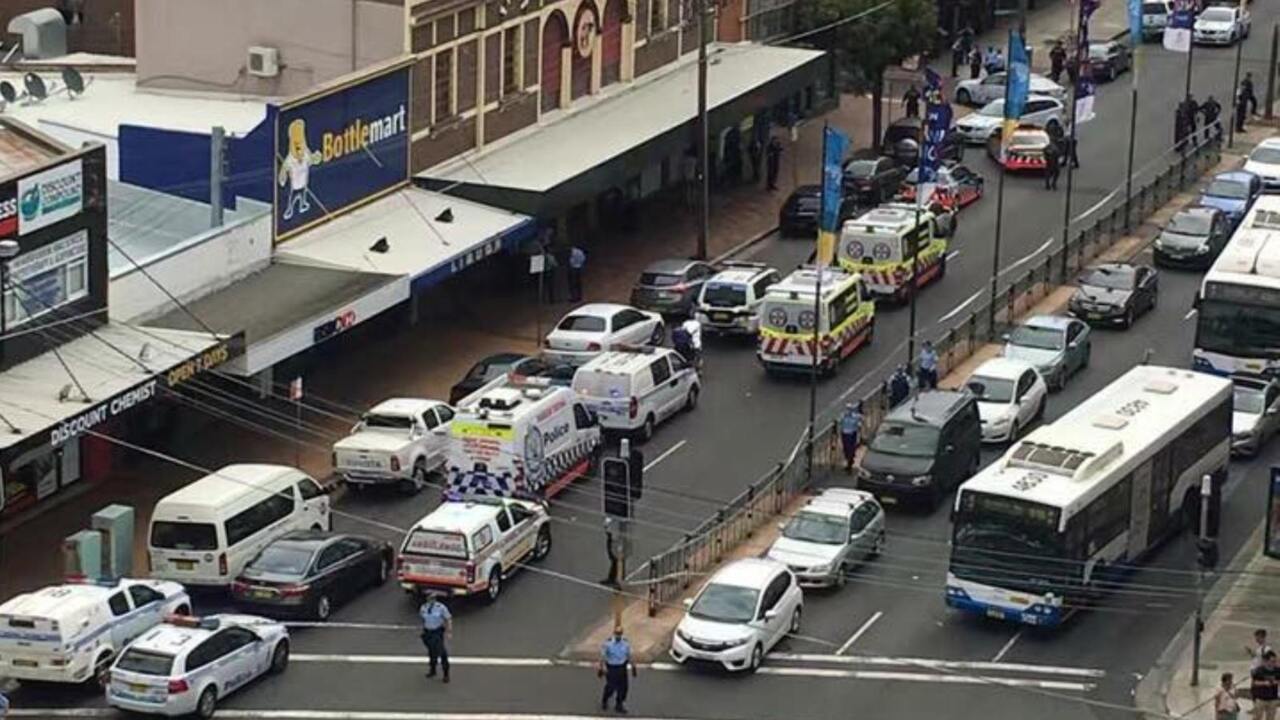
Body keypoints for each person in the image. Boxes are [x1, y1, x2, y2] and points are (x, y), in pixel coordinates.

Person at [599, 627, 636, 714]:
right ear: (614, 633)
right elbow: (603, 656)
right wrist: (602, 667)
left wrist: (633, 666)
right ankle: (605, 699)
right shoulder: (608, 644)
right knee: (611, 687)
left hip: (622, 667)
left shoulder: (625, 643)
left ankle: (619, 704)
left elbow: (629, 655)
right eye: (617, 633)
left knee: (623, 688)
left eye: (620, 634)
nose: (618, 635)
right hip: (612, 668)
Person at [419, 592, 452, 683]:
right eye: (430, 598)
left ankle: (446, 674)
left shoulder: (441, 608)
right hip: (428, 632)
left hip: (437, 632)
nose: (432, 600)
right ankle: (432, 670)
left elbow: (448, 618)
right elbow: (423, 619)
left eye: (433, 598)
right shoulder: (423, 608)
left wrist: (449, 631)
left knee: (442, 653)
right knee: (431, 652)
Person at [1251, 651, 1280, 720]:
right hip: (1260, 698)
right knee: (1257, 717)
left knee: (1271, 718)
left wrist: (1275, 682)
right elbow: (1254, 682)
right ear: (1266, 661)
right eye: (1272, 661)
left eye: (1275, 661)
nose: (1274, 663)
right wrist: (1264, 683)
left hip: (1273, 698)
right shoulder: (1259, 670)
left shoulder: (1278, 670)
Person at [839, 402, 863, 473]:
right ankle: (849, 459)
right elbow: (840, 422)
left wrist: (859, 424)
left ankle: (850, 462)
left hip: (852, 434)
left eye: (849, 409)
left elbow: (860, 421)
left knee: (850, 448)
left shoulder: (855, 416)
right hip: (845, 433)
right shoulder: (843, 415)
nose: (848, 410)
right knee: (846, 448)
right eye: (847, 408)